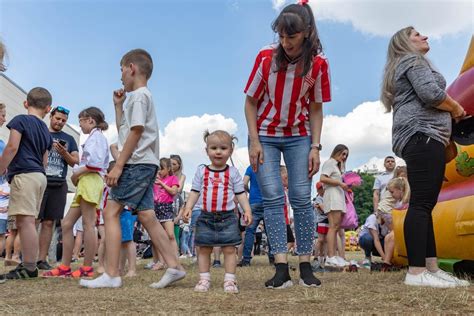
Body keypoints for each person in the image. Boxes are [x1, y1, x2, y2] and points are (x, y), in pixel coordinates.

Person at [81, 49, 186, 289]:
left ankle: (111, 274)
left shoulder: (139, 96)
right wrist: (118, 107)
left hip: (137, 163)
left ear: (131, 68)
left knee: (110, 213)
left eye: (121, 70)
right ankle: (175, 266)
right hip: (145, 163)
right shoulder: (136, 98)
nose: (120, 77)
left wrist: (118, 165)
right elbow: (127, 130)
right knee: (147, 215)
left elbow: (136, 132)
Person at [244, 1, 329, 289]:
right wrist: (254, 141)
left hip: (299, 135)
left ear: (306, 33)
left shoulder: (318, 64)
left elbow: (316, 108)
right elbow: (250, 101)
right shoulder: (266, 58)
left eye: (291, 37)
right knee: (272, 198)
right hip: (264, 134)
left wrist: (315, 146)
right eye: (281, 36)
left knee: (301, 197)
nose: (285, 42)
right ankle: (281, 267)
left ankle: (305, 263)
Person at [381, 26, 469, 288]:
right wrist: (456, 108)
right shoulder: (411, 59)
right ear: (404, 43)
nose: (425, 37)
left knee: (424, 205)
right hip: (422, 135)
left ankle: (430, 267)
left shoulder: (406, 64)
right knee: (420, 206)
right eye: (417, 35)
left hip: (422, 137)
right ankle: (417, 272)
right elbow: (431, 94)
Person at [183, 130, 252, 293]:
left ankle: (229, 280)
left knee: (229, 249)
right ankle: (204, 279)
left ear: (231, 150)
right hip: (206, 216)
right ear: (206, 151)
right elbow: (194, 191)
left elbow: (240, 194)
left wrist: (247, 210)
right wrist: (188, 207)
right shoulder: (202, 171)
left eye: (223, 148)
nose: (218, 151)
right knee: (204, 248)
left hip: (228, 218)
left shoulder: (233, 172)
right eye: (213, 148)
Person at [44, 107, 109, 278]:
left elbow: (95, 163)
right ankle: (65, 266)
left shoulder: (97, 138)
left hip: (91, 180)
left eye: (81, 121)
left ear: (90, 120)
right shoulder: (94, 137)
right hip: (86, 181)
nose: (79, 125)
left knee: (88, 224)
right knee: (66, 224)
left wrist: (78, 172)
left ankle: (87, 267)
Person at [0, 87, 53, 282]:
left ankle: (29, 266)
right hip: (40, 176)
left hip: (25, 175)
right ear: (48, 109)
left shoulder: (20, 121)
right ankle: (29, 264)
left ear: (25, 103)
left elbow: (12, 146)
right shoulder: (46, 133)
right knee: (27, 221)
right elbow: (45, 160)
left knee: (26, 221)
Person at [37, 106, 79, 270]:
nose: (60, 122)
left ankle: (41, 259)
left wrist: (64, 153)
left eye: (64, 121)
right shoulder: (41, 133)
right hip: (40, 181)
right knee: (33, 220)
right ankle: (28, 259)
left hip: (59, 184)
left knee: (49, 222)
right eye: (58, 119)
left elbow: (75, 161)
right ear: (51, 116)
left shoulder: (69, 138)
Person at [319, 144, 349, 268]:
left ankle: (334, 256)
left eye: (346, 155)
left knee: (336, 227)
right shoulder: (330, 163)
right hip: (332, 196)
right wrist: (339, 183)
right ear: (336, 152)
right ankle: (330, 257)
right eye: (343, 154)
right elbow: (322, 178)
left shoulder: (338, 166)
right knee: (333, 227)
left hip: (338, 196)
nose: (344, 157)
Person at [152, 157, 179, 268]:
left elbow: (173, 191)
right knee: (159, 237)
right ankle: (161, 262)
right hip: (156, 208)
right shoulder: (154, 180)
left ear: (168, 168)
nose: (159, 171)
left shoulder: (173, 178)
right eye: (157, 169)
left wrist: (162, 184)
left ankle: (175, 260)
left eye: (161, 169)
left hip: (167, 208)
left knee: (170, 235)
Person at [239, 165, 264, 266]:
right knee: (271, 231)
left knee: (249, 232)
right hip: (268, 201)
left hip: (254, 202)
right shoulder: (270, 164)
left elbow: (244, 183)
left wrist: (250, 191)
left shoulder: (251, 167)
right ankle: (273, 258)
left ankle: (246, 260)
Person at [313, 182, 327, 270]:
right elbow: (323, 210)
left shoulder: (326, 197)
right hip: (321, 220)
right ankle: (315, 257)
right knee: (320, 240)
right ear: (318, 190)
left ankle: (324, 258)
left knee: (325, 241)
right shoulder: (318, 198)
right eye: (320, 188)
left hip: (328, 220)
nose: (322, 189)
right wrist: (323, 207)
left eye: (323, 188)